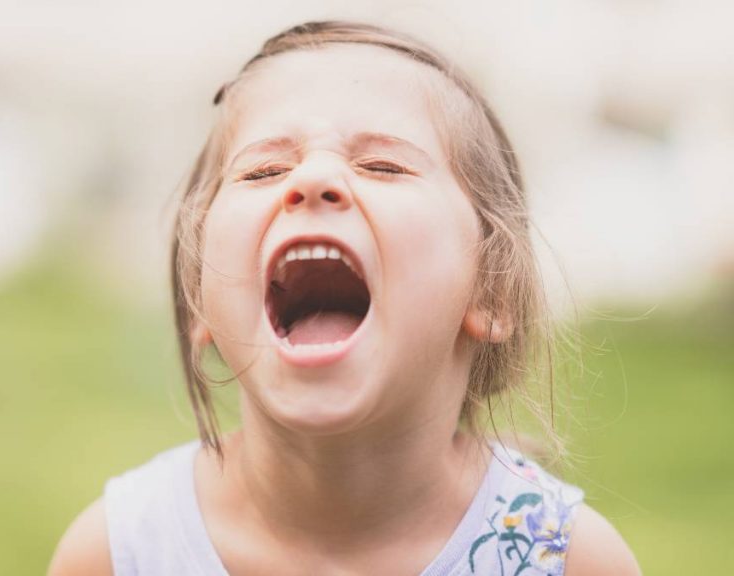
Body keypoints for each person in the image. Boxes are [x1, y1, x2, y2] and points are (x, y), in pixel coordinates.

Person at [48, 21, 640, 575]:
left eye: (383, 165)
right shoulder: (119, 552)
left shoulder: (568, 560)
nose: (312, 179)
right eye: (262, 172)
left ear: (491, 287)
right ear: (200, 295)